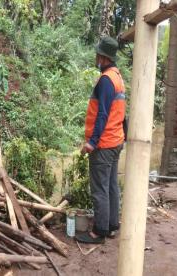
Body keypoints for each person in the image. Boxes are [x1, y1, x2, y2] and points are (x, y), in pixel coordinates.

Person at [75, 37, 126, 244]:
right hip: (116, 141)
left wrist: (92, 142)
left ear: (104, 58)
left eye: (98, 54)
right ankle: (112, 225)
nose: (96, 57)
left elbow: (103, 114)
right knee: (111, 185)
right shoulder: (117, 77)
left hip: (104, 144)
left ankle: (99, 231)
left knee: (100, 189)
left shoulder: (106, 80)